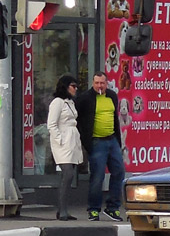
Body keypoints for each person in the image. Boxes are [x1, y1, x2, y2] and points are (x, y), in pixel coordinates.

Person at [76, 72, 126, 222]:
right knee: (98, 177)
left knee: (119, 172)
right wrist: (86, 142)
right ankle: (93, 209)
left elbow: (115, 118)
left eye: (102, 83)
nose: (99, 86)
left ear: (107, 83)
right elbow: (77, 118)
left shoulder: (112, 96)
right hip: (97, 142)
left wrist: (118, 141)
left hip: (112, 140)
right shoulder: (85, 98)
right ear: (93, 83)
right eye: (97, 83)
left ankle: (112, 207)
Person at [46, 75, 83, 221]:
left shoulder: (70, 102)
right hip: (63, 141)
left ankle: (63, 209)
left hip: (72, 140)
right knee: (68, 174)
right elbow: (51, 124)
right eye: (73, 86)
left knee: (68, 176)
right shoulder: (57, 102)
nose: (75, 89)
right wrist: (59, 140)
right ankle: (62, 210)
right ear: (65, 86)